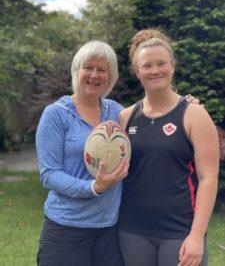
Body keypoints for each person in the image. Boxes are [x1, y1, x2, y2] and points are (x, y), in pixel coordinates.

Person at [118, 29, 219, 266]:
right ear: (137, 72)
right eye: (147, 65)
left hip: (180, 232)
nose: (155, 70)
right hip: (133, 231)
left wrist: (196, 235)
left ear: (172, 66)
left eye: (162, 63)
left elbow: (208, 178)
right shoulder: (125, 117)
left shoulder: (194, 114)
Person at [36, 40, 129, 266]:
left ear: (110, 76)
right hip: (66, 229)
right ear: (77, 70)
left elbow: (151, 115)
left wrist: (183, 105)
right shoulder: (57, 114)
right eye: (88, 67)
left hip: (109, 229)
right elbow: (49, 173)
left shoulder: (116, 112)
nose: (94, 75)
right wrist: (93, 188)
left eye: (101, 69)